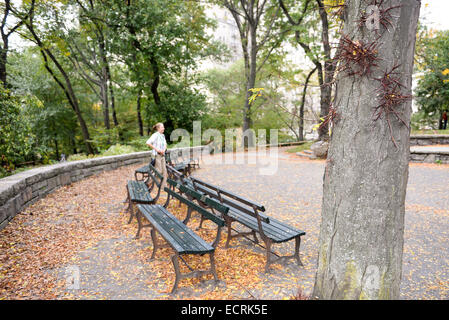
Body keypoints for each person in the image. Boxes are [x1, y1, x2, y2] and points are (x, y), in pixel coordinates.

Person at [146, 122, 168, 189]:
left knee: (164, 171)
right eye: (162, 127)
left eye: (163, 127)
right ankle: (148, 182)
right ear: (158, 128)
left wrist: (163, 150)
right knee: (159, 171)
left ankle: (163, 186)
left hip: (162, 155)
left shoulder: (163, 135)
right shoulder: (155, 135)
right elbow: (148, 142)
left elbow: (165, 144)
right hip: (157, 155)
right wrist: (157, 150)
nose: (163, 128)